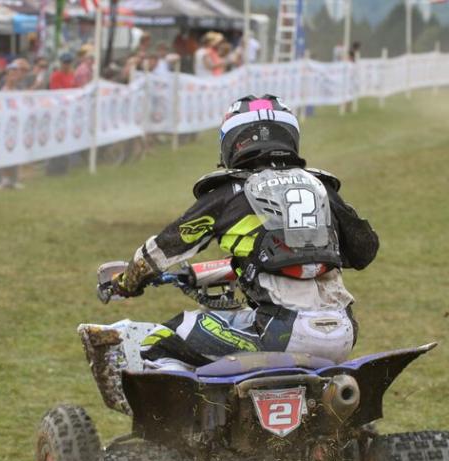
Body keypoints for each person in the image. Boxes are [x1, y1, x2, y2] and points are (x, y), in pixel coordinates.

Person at [97, 95, 379, 369]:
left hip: (278, 333)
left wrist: (127, 282)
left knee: (162, 339)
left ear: (233, 142)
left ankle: (177, 415)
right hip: (342, 332)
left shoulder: (229, 194)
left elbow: (161, 251)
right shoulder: (321, 188)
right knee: (245, 317)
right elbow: (364, 251)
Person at [0, 61, 24, 190]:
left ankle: (13, 179)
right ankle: (2, 179)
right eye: (12, 72)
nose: (14, 75)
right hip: (3, 124)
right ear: (7, 74)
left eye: (16, 72)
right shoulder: (1, 89)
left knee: (15, 151)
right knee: (4, 151)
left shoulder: (19, 90)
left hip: (15, 124)